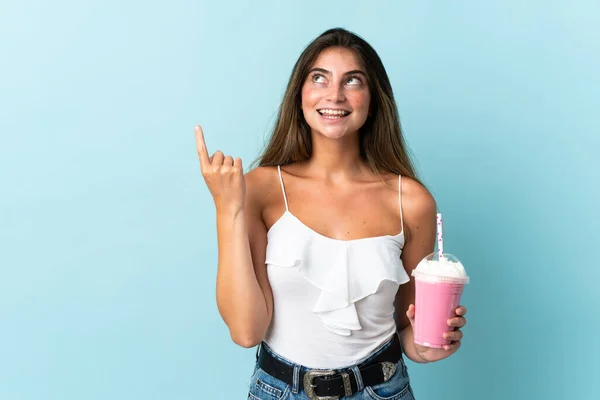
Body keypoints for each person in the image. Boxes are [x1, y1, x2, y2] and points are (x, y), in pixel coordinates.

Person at [195, 27, 468, 400]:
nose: (334, 95)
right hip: (279, 390)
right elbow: (246, 331)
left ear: (373, 98)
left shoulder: (412, 201)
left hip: (381, 389)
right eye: (319, 77)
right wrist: (228, 209)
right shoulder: (260, 189)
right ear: (300, 94)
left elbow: (411, 334)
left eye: (352, 80)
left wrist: (431, 346)